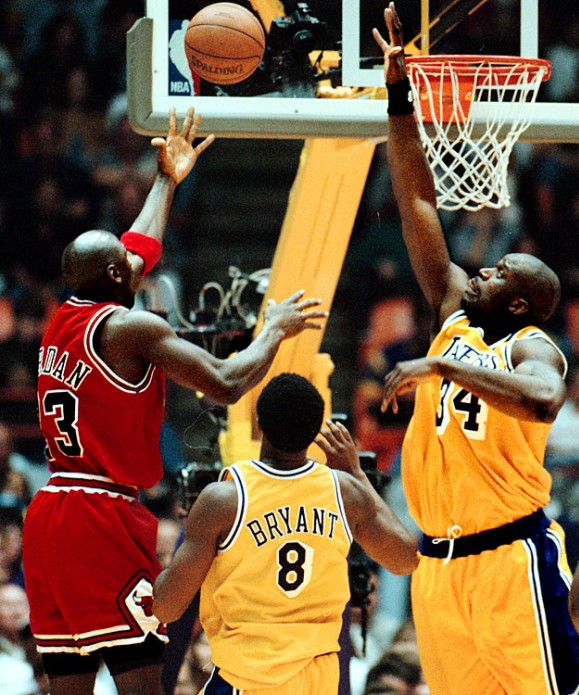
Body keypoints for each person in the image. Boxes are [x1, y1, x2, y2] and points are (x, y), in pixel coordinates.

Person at [21, 108, 328, 695]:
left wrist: (167, 178)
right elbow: (226, 382)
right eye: (127, 267)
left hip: (51, 513)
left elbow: (136, 249)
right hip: (100, 516)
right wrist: (273, 329)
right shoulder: (130, 327)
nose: (138, 266)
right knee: (144, 684)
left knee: (68, 684)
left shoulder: (64, 316)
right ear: (117, 277)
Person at [373, 4, 579, 694]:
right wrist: (399, 96)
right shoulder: (452, 311)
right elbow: (416, 202)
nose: (482, 271)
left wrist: (444, 365)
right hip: (439, 567)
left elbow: (543, 400)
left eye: (499, 274)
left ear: (519, 304)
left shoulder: (534, 347)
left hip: (512, 558)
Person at [152, 372, 419, 694]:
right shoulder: (345, 492)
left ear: (258, 424)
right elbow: (406, 559)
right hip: (318, 682)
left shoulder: (225, 499)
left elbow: (166, 608)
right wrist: (357, 474)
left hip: (248, 679)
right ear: (316, 431)